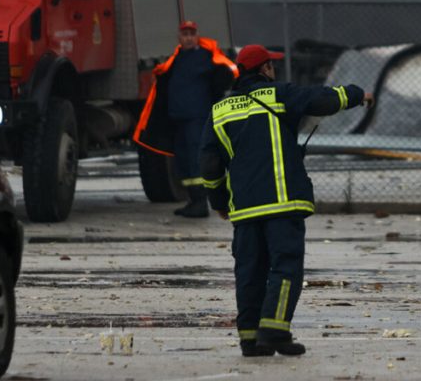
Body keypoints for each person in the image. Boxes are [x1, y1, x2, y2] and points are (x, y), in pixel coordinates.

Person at [200, 44, 374, 357]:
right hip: (281, 203)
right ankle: (275, 331)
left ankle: (250, 338)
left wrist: (219, 201)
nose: (274, 70)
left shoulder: (219, 110)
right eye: (272, 65)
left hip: (244, 209)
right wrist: (358, 94)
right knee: (285, 266)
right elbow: (324, 99)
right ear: (265, 69)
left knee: (249, 272)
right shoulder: (280, 94)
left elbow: (210, 165)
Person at [133, 21, 238, 217]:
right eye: (185, 34)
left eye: (192, 34)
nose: (188, 37)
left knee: (195, 159)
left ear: (197, 36)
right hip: (178, 118)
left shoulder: (207, 58)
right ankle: (192, 200)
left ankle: (200, 203)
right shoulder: (175, 59)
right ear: (179, 38)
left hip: (196, 118)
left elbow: (226, 74)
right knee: (182, 160)